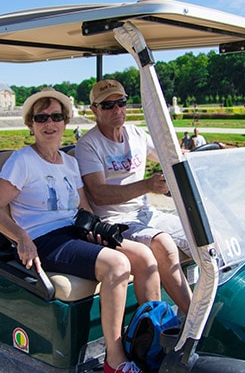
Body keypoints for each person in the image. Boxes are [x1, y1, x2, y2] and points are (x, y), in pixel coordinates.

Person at [0, 88, 160, 373]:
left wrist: (97, 230)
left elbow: (83, 208)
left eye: (56, 117)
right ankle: (115, 362)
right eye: (41, 118)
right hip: (43, 239)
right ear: (31, 124)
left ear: (65, 121)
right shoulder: (22, 161)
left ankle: (152, 341)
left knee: (144, 256)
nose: (49, 124)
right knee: (117, 265)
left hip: (73, 232)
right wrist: (21, 237)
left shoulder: (69, 162)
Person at [76, 80, 193, 314]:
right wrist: (148, 185)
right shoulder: (88, 145)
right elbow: (99, 194)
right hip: (114, 221)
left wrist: (193, 156)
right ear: (94, 110)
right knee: (164, 245)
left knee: (204, 235)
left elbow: (167, 155)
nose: (117, 110)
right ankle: (192, 322)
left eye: (121, 102)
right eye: (108, 105)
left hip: (146, 214)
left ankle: (211, 309)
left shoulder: (136, 134)